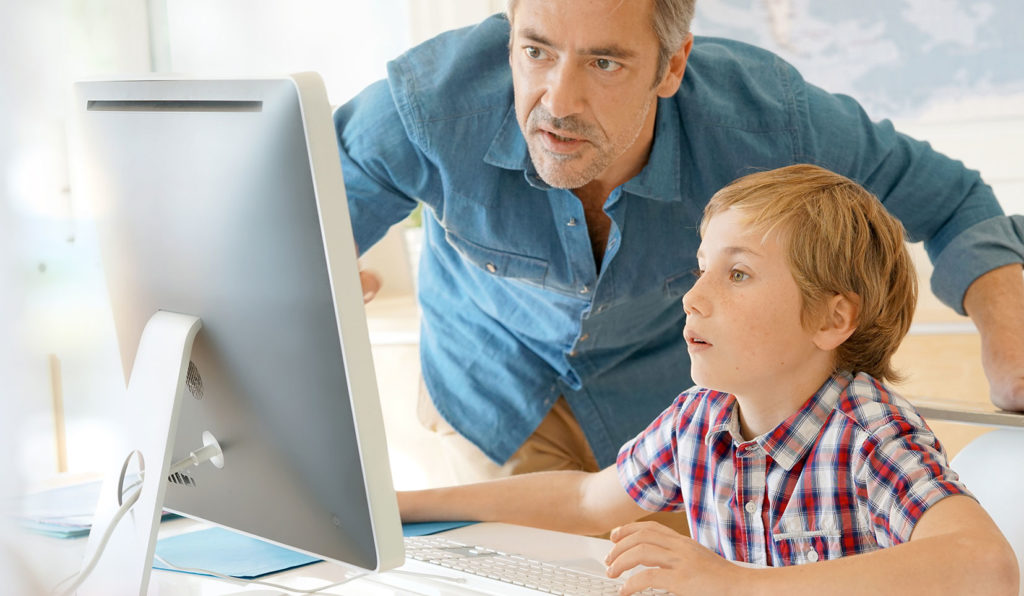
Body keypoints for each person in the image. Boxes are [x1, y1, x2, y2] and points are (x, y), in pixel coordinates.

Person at [334, 0, 1024, 485]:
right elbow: (286, 224)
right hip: (492, 391)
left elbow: (954, 199)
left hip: (667, 410)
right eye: (535, 50)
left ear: (671, 66)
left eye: (605, 62)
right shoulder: (427, 108)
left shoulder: (767, 122)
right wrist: (319, 265)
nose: (559, 101)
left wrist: (1009, 344)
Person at [398, 165, 1021, 595]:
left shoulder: (870, 433)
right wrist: (402, 508)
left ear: (833, 317)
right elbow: (585, 500)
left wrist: (736, 585)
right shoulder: (701, 419)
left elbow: (986, 568)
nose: (694, 297)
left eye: (739, 274)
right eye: (701, 269)